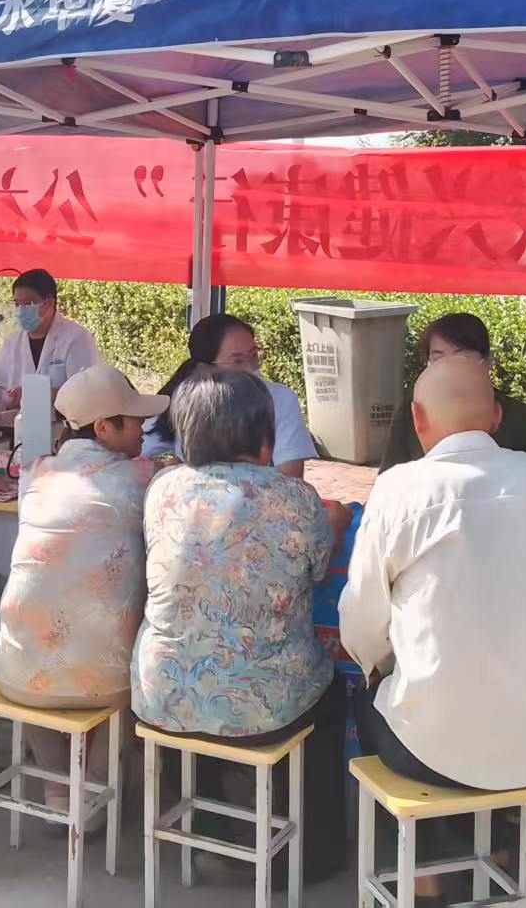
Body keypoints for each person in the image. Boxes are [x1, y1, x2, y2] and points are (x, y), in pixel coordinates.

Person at [132, 367, 353, 882]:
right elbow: (317, 569)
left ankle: (208, 828)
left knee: (203, 675)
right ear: (263, 435)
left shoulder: (163, 489)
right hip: (263, 708)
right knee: (329, 695)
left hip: (161, 696)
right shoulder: (294, 498)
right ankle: (309, 859)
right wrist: (335, 523)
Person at [343, 353, 526, 791]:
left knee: (370, 698)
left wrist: (383, 666)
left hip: (425, 749)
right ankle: (500, 827)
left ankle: (425, 834)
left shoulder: (400, 487)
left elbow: (361, 622)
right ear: (496, 418)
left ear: (417, 417)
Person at [0, 364, 166, 811]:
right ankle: (98, 784)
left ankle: (56, 783)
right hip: (104, 680)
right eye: (136, 421)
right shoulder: (143, 477)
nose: (144, 430)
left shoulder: (35, 472)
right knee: (132, 656)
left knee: (36, 651)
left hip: (13, 669)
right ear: (104, 428)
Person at [141, 313, 318, 478]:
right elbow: (145, 450)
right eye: (237, 361)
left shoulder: (279, 399)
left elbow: (290, 477)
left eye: (254, 355)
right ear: (204, 368)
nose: (250, 367)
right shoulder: (187, 400)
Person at [378, 312, 526, 469]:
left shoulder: (524, 418)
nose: (450, 367)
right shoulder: (412, 410)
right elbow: (389, 477)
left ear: (488, 362)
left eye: (462, 357)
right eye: (438, 358)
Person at [0, 269, 99, 410]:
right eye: (17, 304)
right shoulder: (12, 343)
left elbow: (87, 392)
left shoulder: (76, 338)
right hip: (16, 421)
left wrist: (35, 394)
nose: (20, 310)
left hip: (65, 422)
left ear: (49, 303)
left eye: (28, 304)